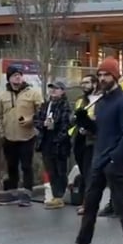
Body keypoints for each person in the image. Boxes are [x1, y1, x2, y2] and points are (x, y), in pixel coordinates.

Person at [54, 57, 123, 244]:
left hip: (115, 162)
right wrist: (84, 120)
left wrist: (115, 158)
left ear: (115, 76)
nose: (102, 79)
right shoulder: (101, 101)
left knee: (121, 207)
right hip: (99, 159)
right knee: (90, 205)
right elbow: (100, 130)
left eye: (106, 75)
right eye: (100, 75)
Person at [0, 65, 43, 207]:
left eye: (19, 74)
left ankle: (27, 194)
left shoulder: (33, 93)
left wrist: (30, 120)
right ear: (9, 78)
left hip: (27, 136)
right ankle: (12, 194)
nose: (18, 77)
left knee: (26, 166)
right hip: (9, 137)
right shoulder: (3, 95)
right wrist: (1, 132)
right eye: (14, 75)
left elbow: (42, 113)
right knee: (11, 166)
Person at [35, 81, 73, 210]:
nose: (53, 91)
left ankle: (60, 196)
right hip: (46, 140)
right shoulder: (45, 105)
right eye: (51, 88)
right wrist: (43, 124)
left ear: (63, 91)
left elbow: (67, 124)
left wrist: (56, 129)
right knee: (50, 169)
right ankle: (56, 194)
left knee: (60, 169)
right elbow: (37, 120)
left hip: (59, 142)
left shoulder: (65, 105)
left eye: (56, 89)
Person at [68, 75, 99, 213]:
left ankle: (88, 204)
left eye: (87, 82)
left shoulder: (100, 99)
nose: (83, 85)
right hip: (79, 140)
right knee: (84, 170)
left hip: (93, 140)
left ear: (94, 84)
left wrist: (89, 127)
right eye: (82, 83)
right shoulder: (80, 101)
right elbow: (74, 118)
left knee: (89, 173)